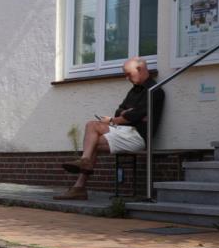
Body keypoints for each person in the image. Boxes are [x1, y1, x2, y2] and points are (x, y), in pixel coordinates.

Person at [54, 57, 165, 200]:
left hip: (138, 136)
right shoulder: (133, 91)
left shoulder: (154, 91)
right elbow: (120, 112)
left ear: (140, 69)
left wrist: (120, 118)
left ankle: (81, 180)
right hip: (124, 132)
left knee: (92, 132)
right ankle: (81, 178)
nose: (126, 78)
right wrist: (126, 115)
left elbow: (133, 116)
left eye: (128, 74)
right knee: (92, 131)